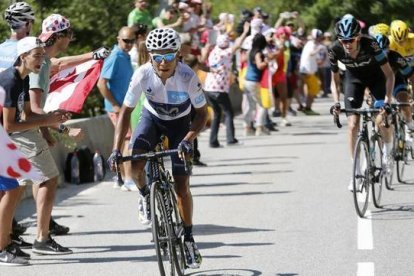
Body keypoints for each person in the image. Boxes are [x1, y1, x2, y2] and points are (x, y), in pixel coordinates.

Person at [108, 27, 207, 269]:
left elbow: (202, 114)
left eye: (168, 56)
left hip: (180, 126)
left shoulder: (187, 76)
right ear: (150, 55)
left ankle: (189, 239)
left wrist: (189, 138)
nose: (163, 62)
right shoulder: (142, 74)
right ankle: (144, 196)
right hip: (151, 120)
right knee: (134, 165)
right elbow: (126, 112)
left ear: (178, 55)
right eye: (157, 56)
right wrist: (115, 148)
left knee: (182, 186)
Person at [1, 2, 70, 241]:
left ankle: (9, 236)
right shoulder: (28, 58)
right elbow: (26, 110)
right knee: (33, 180)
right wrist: (54, 125)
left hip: (11, 122)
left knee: (11, 186)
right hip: (13, 126)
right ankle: (34, 237)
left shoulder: (2, 51)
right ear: (29, 24)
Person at [329, 14, 395, 190]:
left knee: (381, 120)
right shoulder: (335, 49)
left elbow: (389, 74)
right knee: (352, 125)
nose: (347, 44)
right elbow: (334, 80)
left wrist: (388, 99)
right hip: (354, 80)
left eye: (350, 40)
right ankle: (356, 171)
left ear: (358, 37)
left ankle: (388, 152)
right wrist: (336, 102)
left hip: (377, 79)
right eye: (343, 41)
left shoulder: (371, 44)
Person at [97, 26, 135, 191]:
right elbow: (101, 83)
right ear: (118, 39)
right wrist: (114, 104)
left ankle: (119, 178)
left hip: (125, 107)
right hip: (118, 108)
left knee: (121, 142)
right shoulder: (115, 57)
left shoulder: (125, 56)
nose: (129, 44)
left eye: (131, 41)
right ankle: (128, 179)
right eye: (126, 41)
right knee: (127, 140)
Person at [204, 22, 249, 147]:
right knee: (229, 113)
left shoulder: (213, 52)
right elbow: (238, 44)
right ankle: (230, 139)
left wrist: (220, 31)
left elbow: (221, 40)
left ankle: (213, 142)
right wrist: (245, 32)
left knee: (217, 114)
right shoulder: (226, 53)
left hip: (208, 89)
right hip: (219, 89)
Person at [374, 34, 414, 145]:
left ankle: (409, 124)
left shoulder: (396, 57)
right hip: (378, 84)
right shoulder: (369, 59)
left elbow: (411, 77)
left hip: (397, 80)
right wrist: (367, 95)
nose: (381, 56)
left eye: (384, 53)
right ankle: (385, 142)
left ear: (389, 49)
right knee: (379, 117)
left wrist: (412, 97)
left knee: (403, 102)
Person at [299, 28, 324, 115]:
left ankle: (307, 107)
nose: (320, 39)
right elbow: (311, 53)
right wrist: (319, 49)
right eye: (319, 37)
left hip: (309, 71)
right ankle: (307, 108)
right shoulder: (311, 44)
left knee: (313, 90)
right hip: (308, 72)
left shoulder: (312, 44)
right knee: (314, 89)